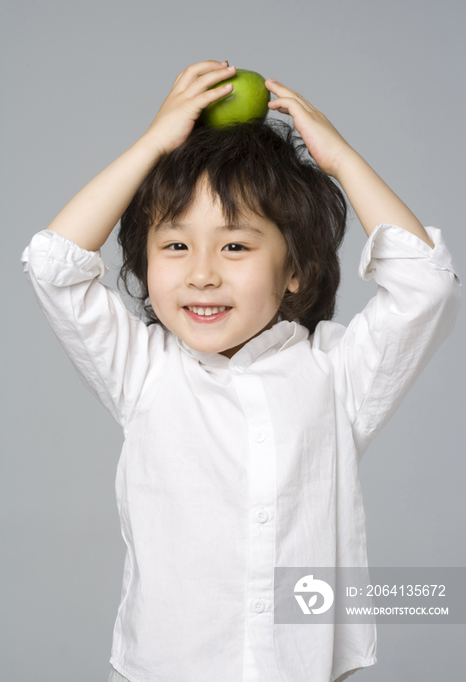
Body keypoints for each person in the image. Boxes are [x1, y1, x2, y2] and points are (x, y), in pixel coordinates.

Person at [21, 60, 461, 682]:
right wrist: (153, 144)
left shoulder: (334, 377)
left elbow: (427, 287)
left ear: (296, 271)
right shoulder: (143, 371)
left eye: (235, 245)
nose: (202, 273)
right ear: (146, 266)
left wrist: (340, 160)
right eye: (175, 245)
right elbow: (54, 266)